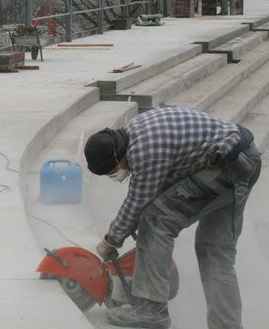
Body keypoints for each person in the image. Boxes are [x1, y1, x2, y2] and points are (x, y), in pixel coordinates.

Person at [84, 107, 261, 329]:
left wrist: (111, 240)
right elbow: (163, 185)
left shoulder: (145, 151)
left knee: (156, 220)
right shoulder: (135, 130)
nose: (116, 176)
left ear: (118, 158)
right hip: (243, 159)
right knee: (215, 251)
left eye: (113, 172)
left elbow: (139, 200)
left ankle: (152, 310)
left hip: (228, 165)